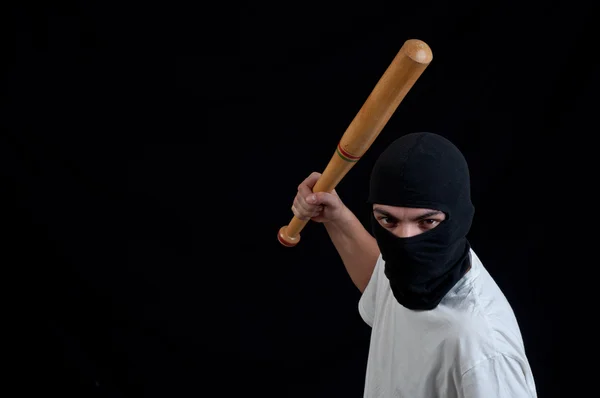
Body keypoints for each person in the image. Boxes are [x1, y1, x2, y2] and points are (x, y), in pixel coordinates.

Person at [291, 132, 537, 397]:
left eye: (427, 222)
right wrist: (334, 216)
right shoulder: (410, 274)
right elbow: (379, 282)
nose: (405, 241)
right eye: (388, 221)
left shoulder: (483, 350)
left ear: (459, 218)